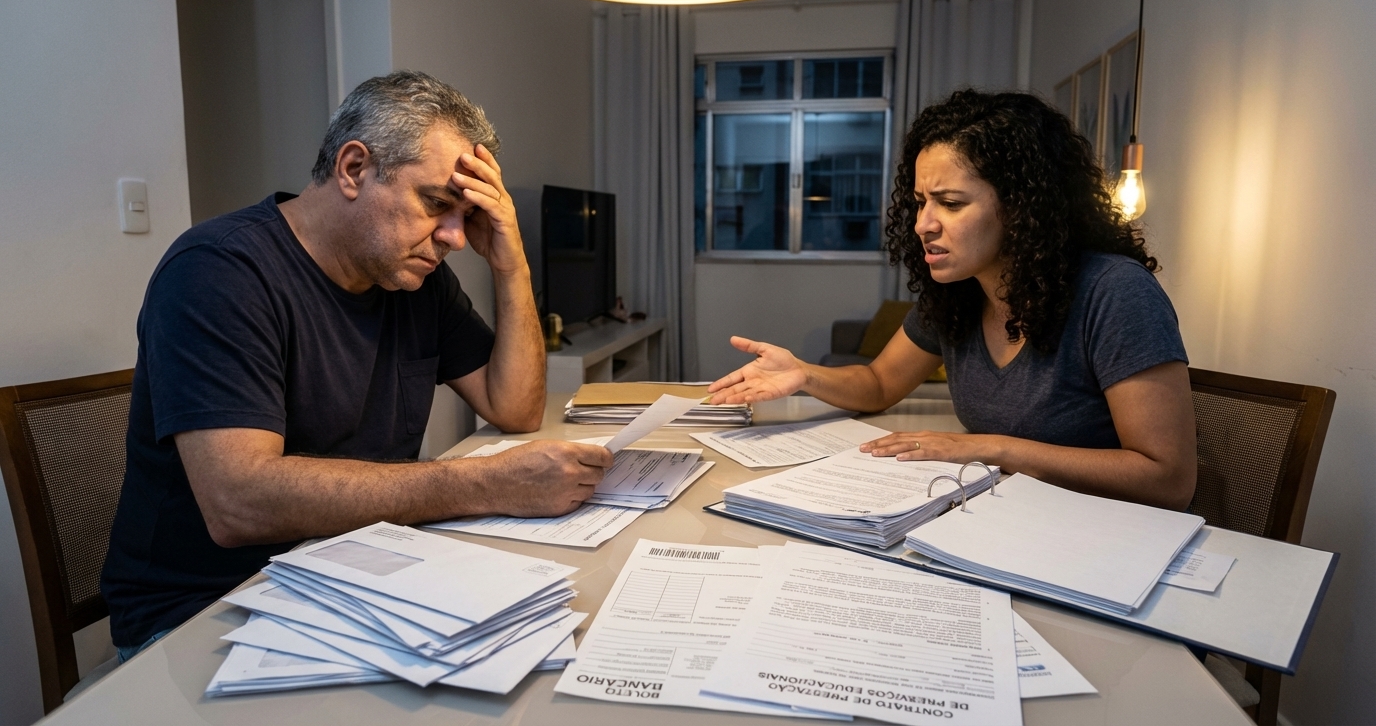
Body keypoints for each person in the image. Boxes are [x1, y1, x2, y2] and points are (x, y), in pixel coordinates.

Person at [101, 71, 613, 660]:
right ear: (352, 169)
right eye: (437, 204)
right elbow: (238, 501)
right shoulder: (217, 272)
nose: (454, 237)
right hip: (206, 613)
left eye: (465, 215)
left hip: (355, 576)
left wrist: (512, 264)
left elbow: (515, 408)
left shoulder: (419, 279)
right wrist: (487, 483)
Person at [708, 89, 1196, 511]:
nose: (923, 223)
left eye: (952, 203)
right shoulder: (962, 293)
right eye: (921, 201)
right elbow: (879, 383)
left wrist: (987, 448)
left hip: (1100, 537)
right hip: (1001, 516)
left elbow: (1169, 479)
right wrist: (803, 374)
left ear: (1023, 206)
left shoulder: (1115, 292)